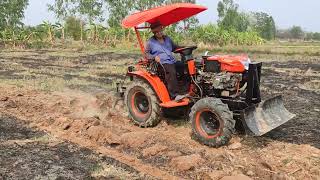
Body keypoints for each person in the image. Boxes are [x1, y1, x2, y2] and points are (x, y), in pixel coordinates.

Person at [145, 21, 184, 100]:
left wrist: (184, 48)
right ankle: (175, 95)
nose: (159, 33)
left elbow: (175, 47)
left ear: (162, 30)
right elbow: (146, 54)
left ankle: (185, 89)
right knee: (171, 71)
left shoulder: (168, 39)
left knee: (184, 66)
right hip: (161, 63)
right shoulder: (150, 42)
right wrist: (154, 57)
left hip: (171, 61)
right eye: (156, 32)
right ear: (154, 33)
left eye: (160, 31)